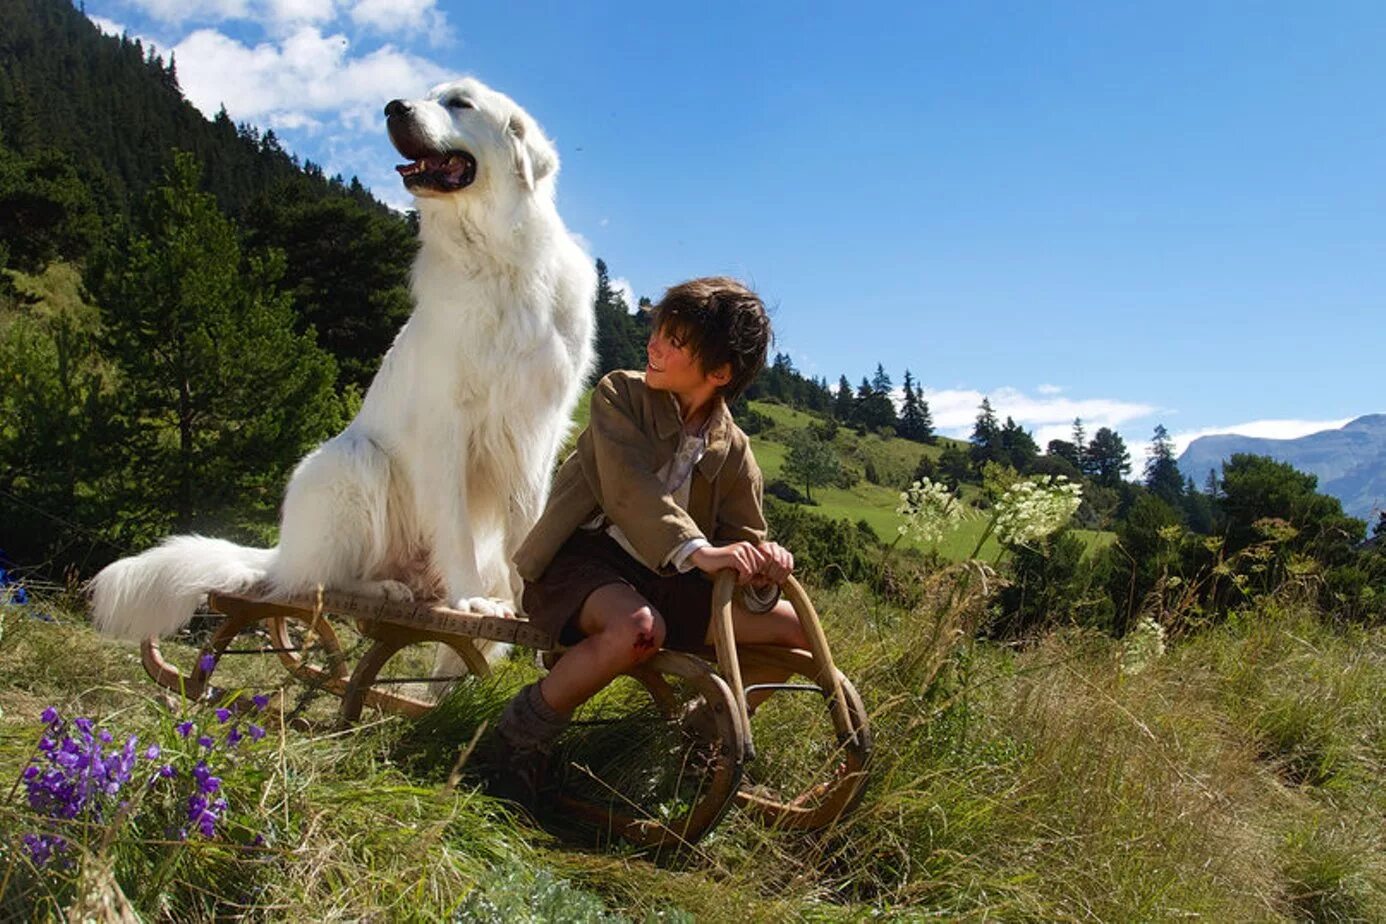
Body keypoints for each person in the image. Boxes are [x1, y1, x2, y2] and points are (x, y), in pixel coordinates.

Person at [488, 276, 809, 808]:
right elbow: (627, 488)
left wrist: (763, 565)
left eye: (675, 341)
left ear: (720, 373)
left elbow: (745, 538)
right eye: (658, 331)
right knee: (638, 629)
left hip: (670, 579)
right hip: (582, 564)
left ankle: (697, 738)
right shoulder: (621, 394)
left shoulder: (735, 451)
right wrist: (699, 550)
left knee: (792, 634)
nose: (653, 345)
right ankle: (516, 739)